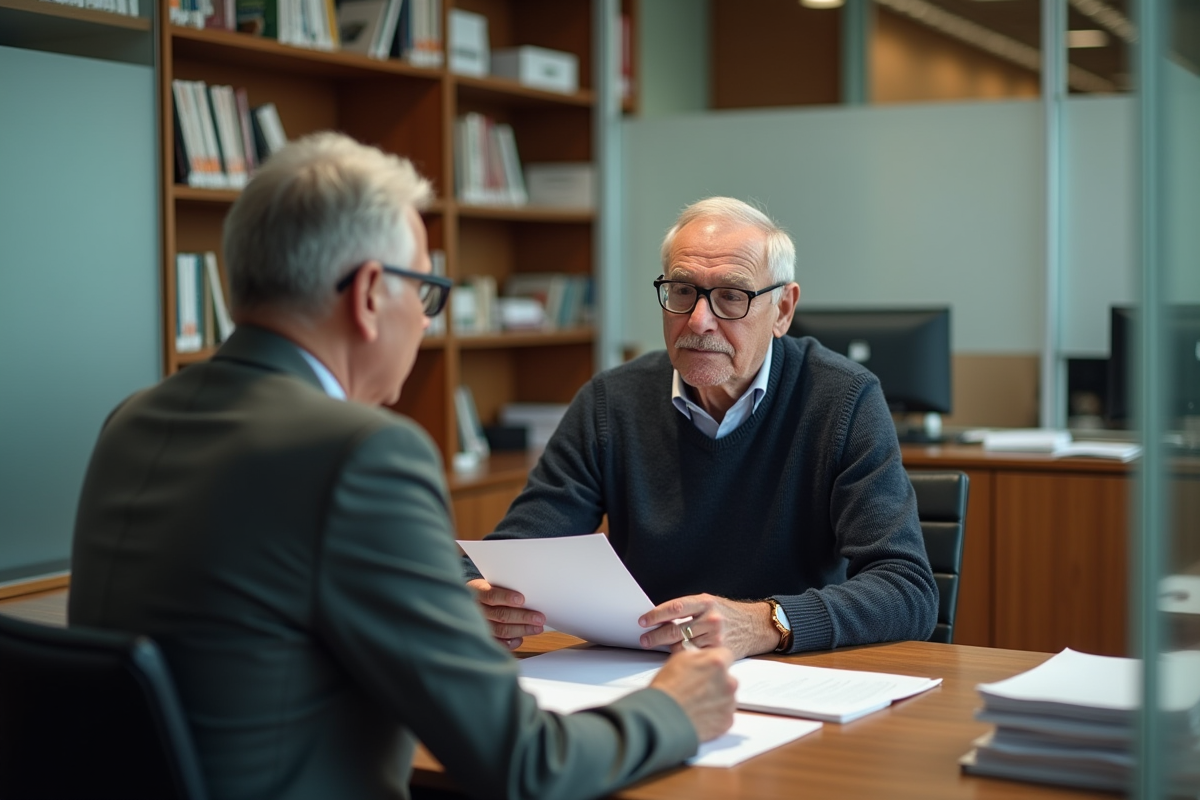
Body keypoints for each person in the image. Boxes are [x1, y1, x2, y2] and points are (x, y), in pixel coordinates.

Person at [68, 132, 737, 800]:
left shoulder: (134, 420)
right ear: (367, 294)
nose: (424, 323)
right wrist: (672, 709)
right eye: (423, 292)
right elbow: (526, 765)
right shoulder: (360, 452)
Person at [466, 197, 938, 660]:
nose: (699, 320)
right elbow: (515, 550)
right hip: (644, 671)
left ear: (782, 310)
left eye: (731, 296)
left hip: (789, 674)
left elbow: (907, 589)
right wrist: (477, 593)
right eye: (682, 291)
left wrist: (765, 623)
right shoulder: (612, 401)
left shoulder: (844, 399)